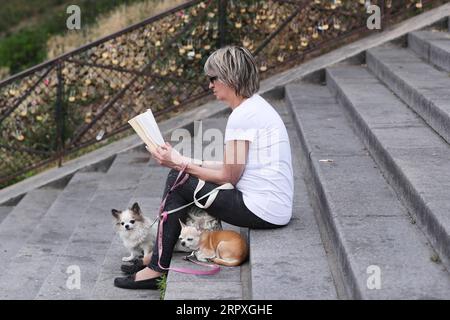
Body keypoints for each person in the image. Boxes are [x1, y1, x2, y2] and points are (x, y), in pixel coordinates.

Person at [114, 46, 294, 290]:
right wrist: (183, 159)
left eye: (213, 78)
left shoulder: (243, 116)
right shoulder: (254, 107)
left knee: (177, 178)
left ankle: (156, 267)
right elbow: (233, 167)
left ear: (230, 77)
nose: (210, 85)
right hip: (273, 206)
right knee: (181, 173)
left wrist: (180, 164)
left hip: (261, 210)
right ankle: (154, 259)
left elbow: (228, 175)